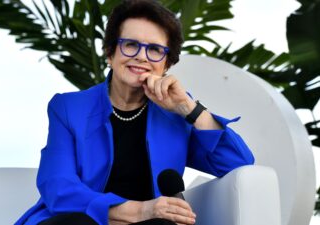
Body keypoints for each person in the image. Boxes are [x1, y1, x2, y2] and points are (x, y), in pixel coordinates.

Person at [15, 0, 255, 225]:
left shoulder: (175, 115)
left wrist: (188, 108)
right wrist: (141, 210)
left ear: (166, 64)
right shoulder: (68, 108)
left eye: (154, 49)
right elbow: (57, 186)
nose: (141, 56)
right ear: (110, 53)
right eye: (130, 45)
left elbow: (239, 164)